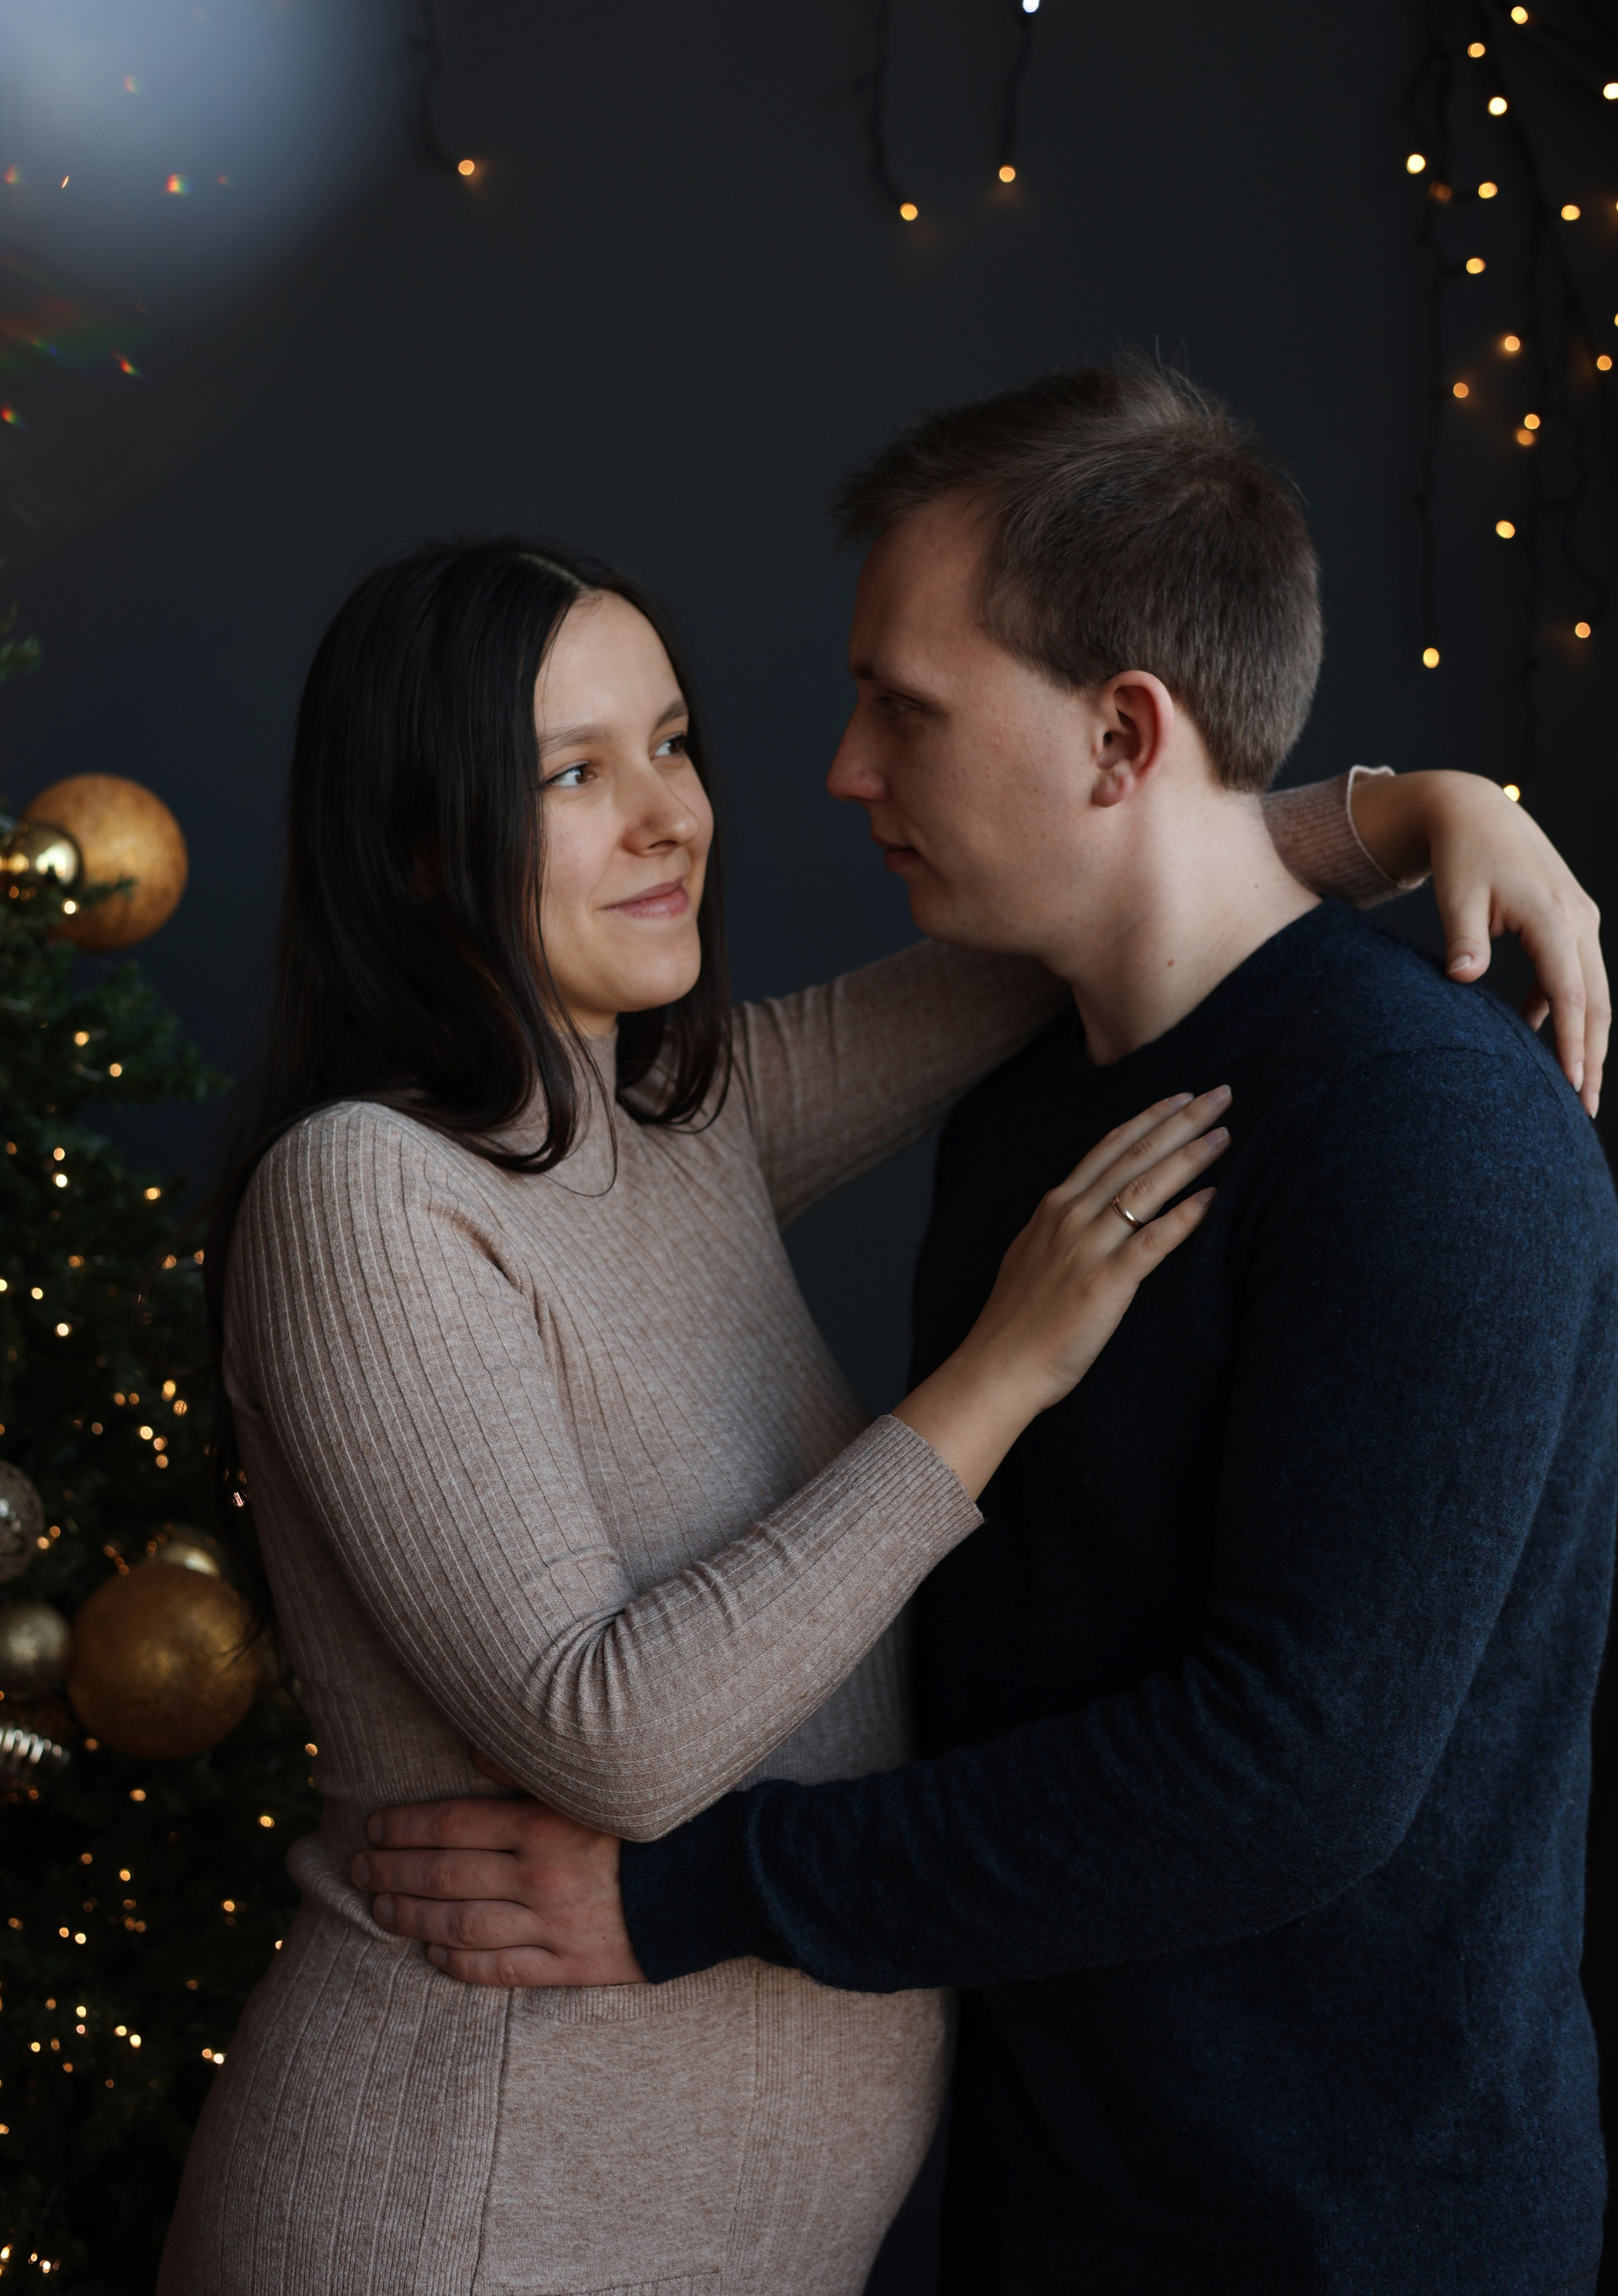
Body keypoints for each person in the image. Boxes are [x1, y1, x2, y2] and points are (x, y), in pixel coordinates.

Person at [358, 370, 1618, 2296]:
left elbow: (1287, 1775)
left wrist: (690, 1893)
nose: (842, 771)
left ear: (1122, 736)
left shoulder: (1427, 1127)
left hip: (1354, 2236)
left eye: (908, 709)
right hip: (1044, 2205)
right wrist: (1399, 804)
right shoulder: (1028, 1104)